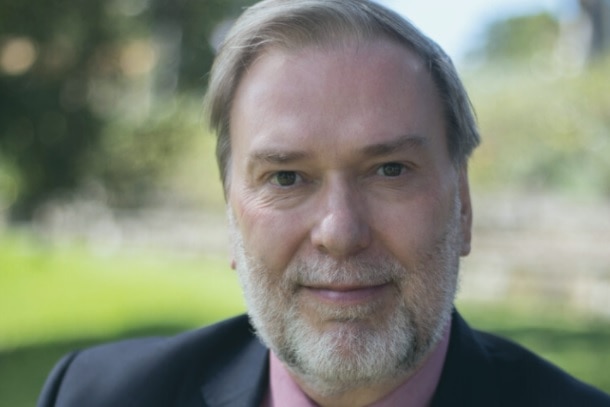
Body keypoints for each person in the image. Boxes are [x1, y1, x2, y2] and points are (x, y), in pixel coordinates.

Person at [37, 1, 610, 406]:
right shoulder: (95, 395)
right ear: (230, 215)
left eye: (390, 170)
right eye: (286, 177)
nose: (340, 231)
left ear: (462, 204)